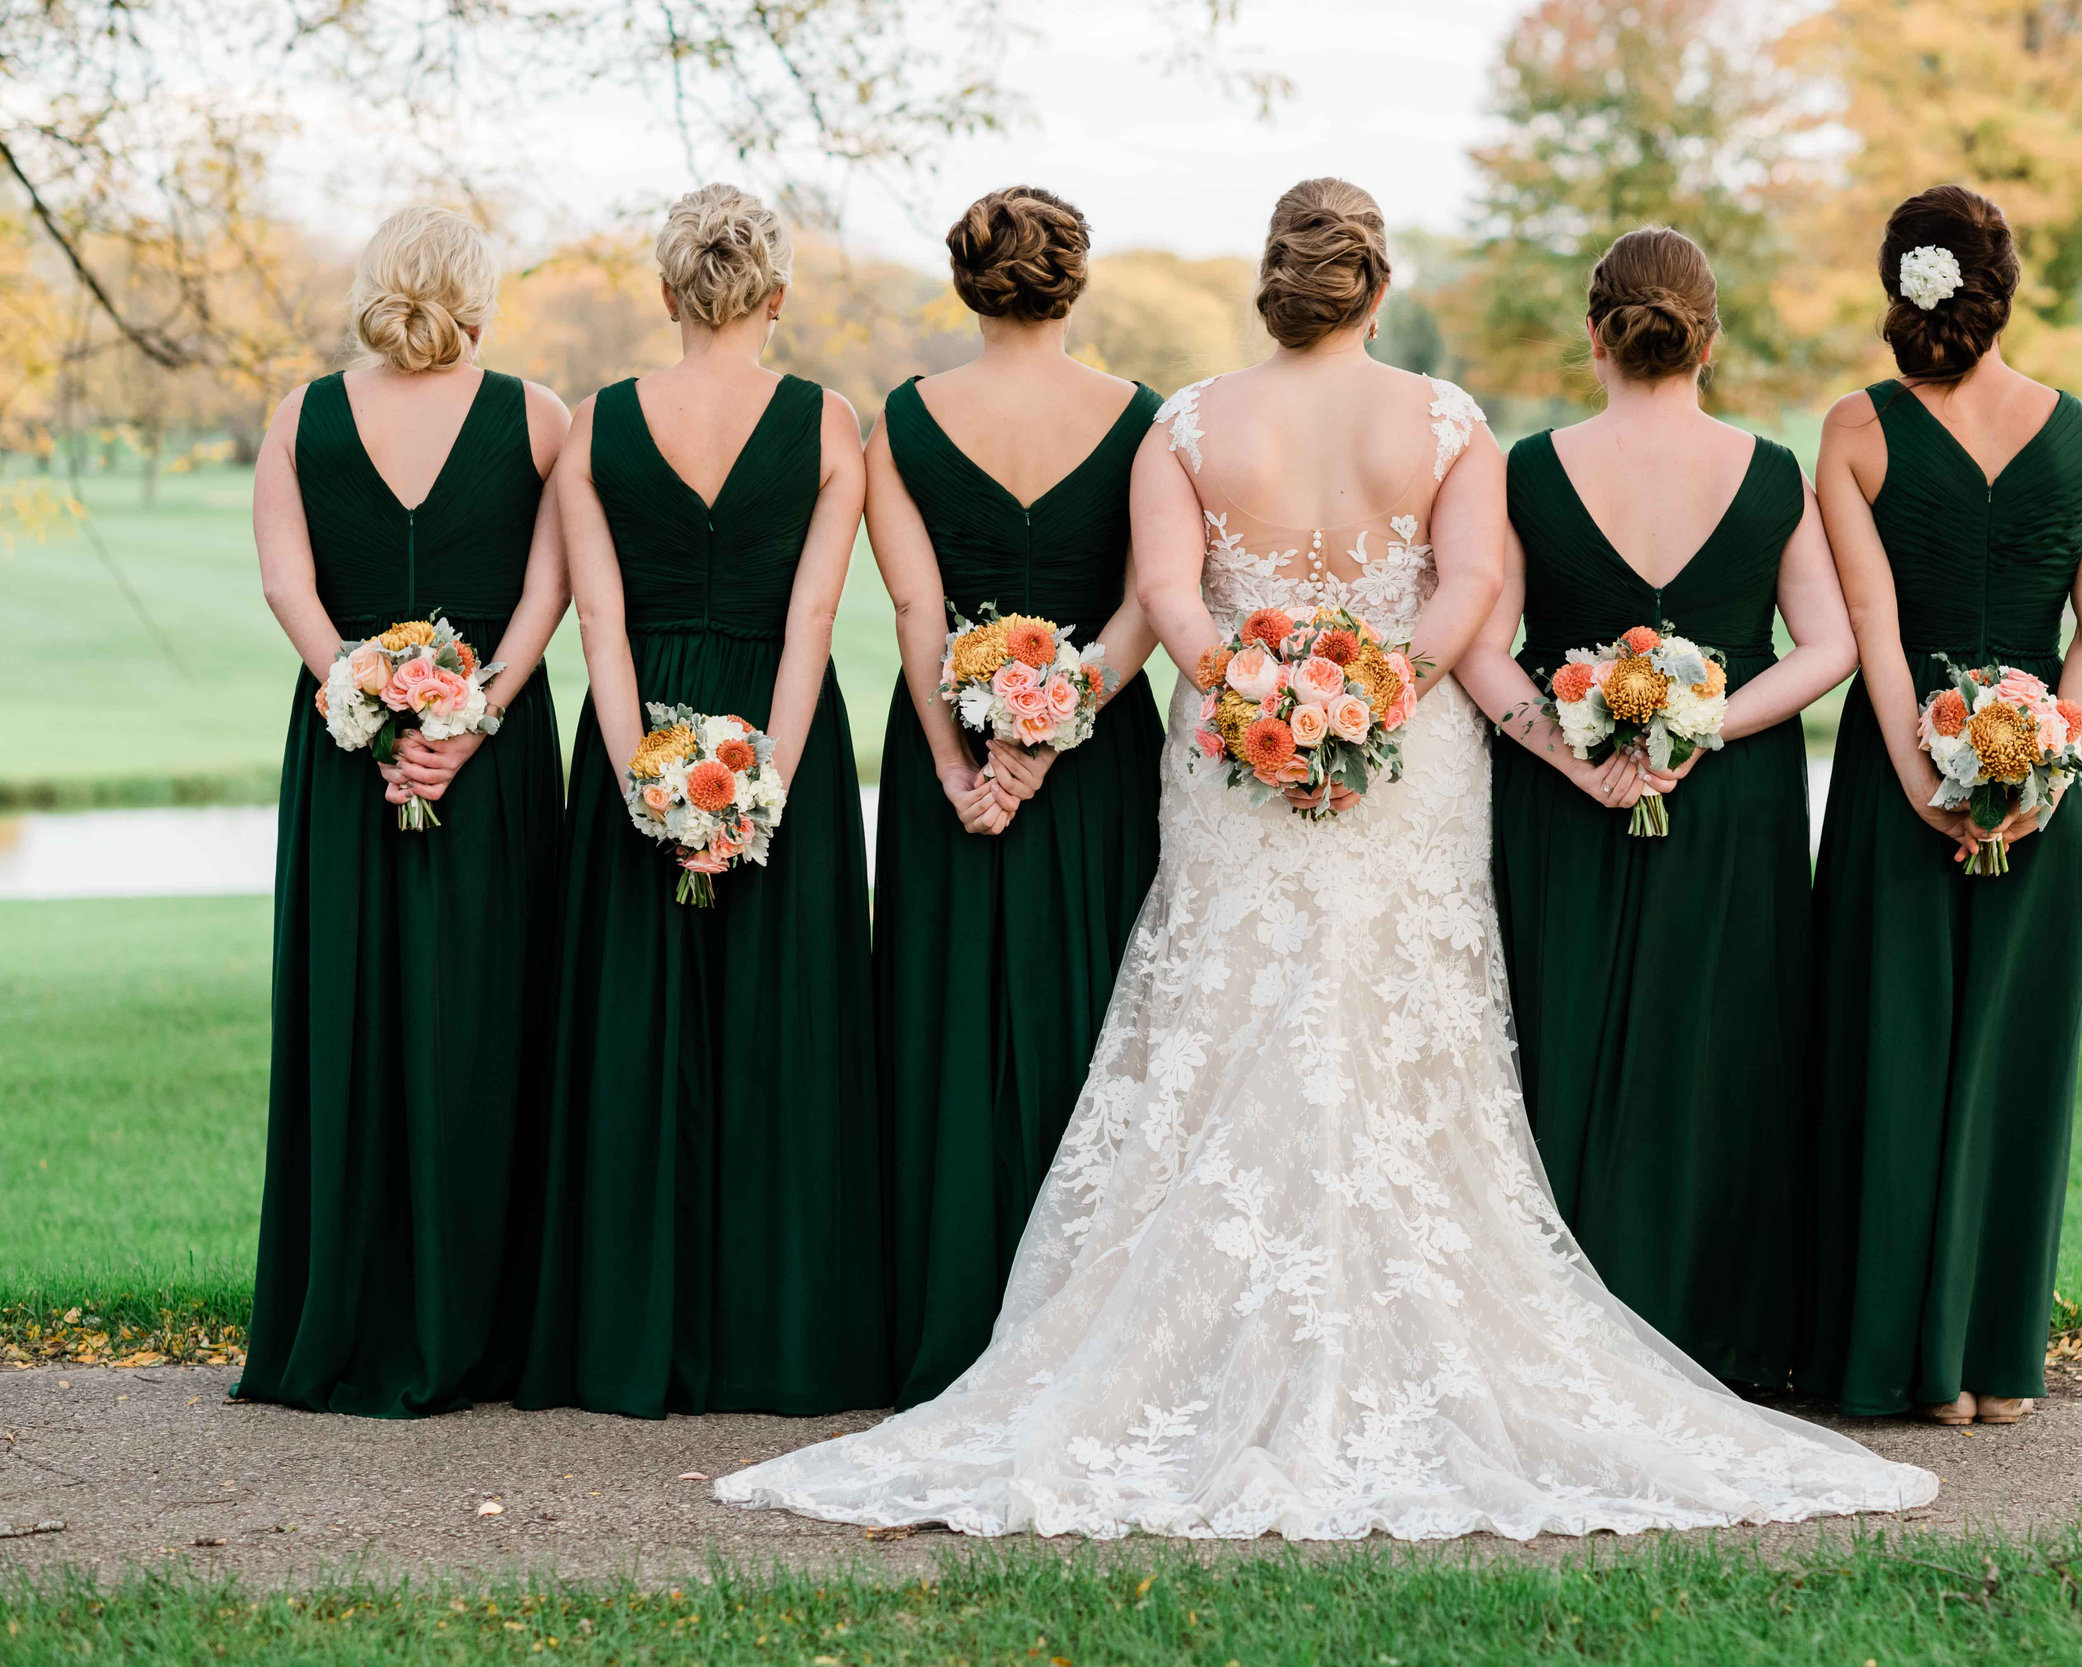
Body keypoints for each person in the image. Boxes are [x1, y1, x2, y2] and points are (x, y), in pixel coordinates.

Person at [713, 179, 1934, 1537]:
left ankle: (1183, 1349)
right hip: (1404, 764)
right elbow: (1468, 596)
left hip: (1235, 766)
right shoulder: (1449, 425)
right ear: (1377, 285)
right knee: (1405, 1048)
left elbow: (1172, 599)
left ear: (1271, 286)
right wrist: (1374, 693)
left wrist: (1259, 705)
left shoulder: (1187, 422)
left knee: (1230, 1024)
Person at [1461, 226, 1857, 1388]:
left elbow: (1485, 655)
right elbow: (1822, 646)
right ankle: (1720, 1333)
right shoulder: (1771, 469)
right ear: (1707, 338)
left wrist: (1575, 753)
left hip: (1559, 798)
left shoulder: (1527, 466)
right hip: (1728, 803)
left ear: (1595, 335)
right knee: (1721, 1046)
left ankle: (1559, 1329)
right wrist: (1705, 725)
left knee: (1560, 1035)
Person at [517, 183, 887, 1417]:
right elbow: (814, 619)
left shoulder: (592, 424)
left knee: (637, 1032)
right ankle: (785, 1345)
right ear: (775, 299)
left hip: (646, 725)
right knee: (785, 1026)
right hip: (785, 737)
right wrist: (762, 781)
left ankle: (629, 1342)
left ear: (666, 295)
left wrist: (643, 779)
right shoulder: (833, 424)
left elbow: (602, 625)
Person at [1802, 184, 2082, 1427]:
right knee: (2017, 1069)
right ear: (2004, 285)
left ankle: (1903, 1364)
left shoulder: (1853, 430)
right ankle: (1998, 1367)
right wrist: (2042, 766)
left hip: (1902, 791)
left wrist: (1921, 775)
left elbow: (1875, 630)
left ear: (1904, 284)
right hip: (2052, 797)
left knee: (1894, 1056)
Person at [238, 206, 570, 1416]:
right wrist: (468, 714)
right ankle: (486, 1329)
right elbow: (553, 587)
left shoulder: (299, 415)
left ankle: (351, 1319)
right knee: (491, 1017)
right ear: (479, 287)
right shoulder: (540, 416)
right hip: (493, 753)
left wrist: (366, 700)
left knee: (356, 1013)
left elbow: (289, 582)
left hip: (345, 758)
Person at [871, 186, 1166, 1408]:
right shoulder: (1143, 418)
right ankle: (1091, 1323)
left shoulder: (903, 417)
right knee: (1095, 1014)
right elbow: (1152, 598)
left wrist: (963, 761)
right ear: (1075, 281)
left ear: (965, 283)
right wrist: (1054, 729)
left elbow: (912, 611)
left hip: (950, 747)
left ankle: (945, 1318)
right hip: (1096, 758)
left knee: (944, 1019)